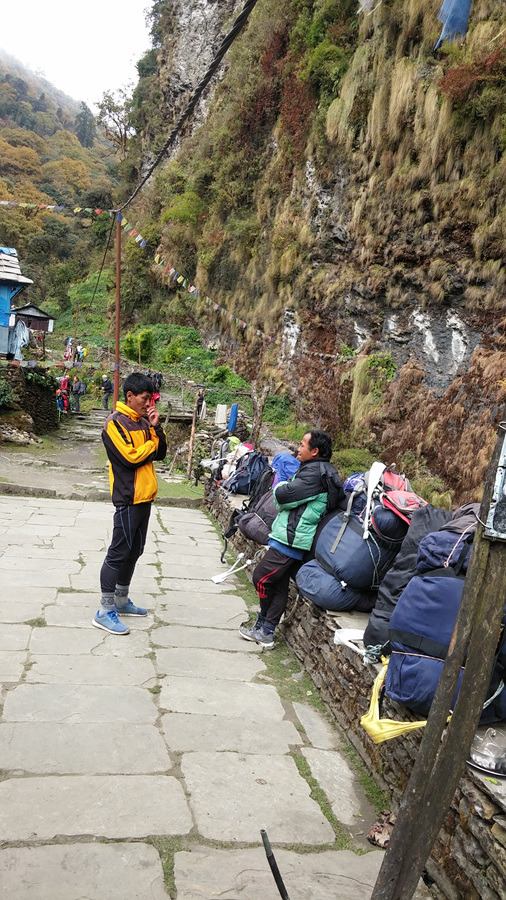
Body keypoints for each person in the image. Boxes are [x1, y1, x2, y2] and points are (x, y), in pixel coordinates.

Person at [239, 431, 345, 649]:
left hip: (291, 539)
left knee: (260, 578)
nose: (298, 448)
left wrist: (279, 487)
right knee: (279, 586)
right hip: (293, 536)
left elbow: (281, 496)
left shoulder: (314, 474)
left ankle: (263, 621)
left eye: (303, 445)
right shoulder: (317, 470)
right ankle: (266, 631)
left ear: (315, 451)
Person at [93, 373, 167, 635]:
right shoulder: (115, 423)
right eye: (145, 399)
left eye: (151, 399)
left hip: (145, 497)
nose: (149, 404)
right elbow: (131, 458)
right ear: (130, 396)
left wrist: (156, 428)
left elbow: (160, 453)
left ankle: (121, 600)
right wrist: (151, 442)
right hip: (128, 497)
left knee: (135, 550)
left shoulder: (144, 422)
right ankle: (104, 611)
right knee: (118, 553)